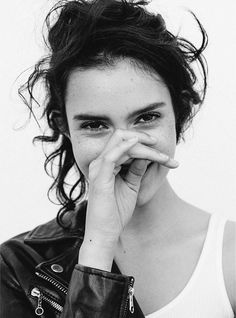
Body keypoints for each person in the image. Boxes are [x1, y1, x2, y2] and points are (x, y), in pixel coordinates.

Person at [0, 0, 235, 317]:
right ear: (64, 126)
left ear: (179, 112)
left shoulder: (230, 256)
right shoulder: (17, 267)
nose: (124, 149)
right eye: (95, 125)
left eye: (146, 117)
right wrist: (98, 248)